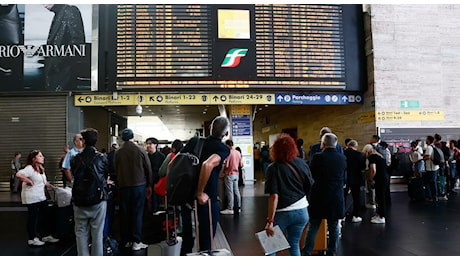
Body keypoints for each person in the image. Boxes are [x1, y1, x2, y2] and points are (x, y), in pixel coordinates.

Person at [264, 133, 310, 256]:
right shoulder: (302, 163)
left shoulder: (273, 168)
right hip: (302, 212)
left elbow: (274, 196)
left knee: (271, 246)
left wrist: (270, 221)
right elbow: (310, 185)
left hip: (283, 213)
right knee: (294, 244)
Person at [302, 133, 346, 256]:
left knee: (313, 225)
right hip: (336, 197)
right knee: (334, 227)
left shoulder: (317, 157)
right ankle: (332, 252)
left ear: (323, 144)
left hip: (319, 196)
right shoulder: (342, 158)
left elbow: (311, 175)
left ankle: (307, 252)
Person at [192, 116, 230, 252]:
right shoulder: (222, 148)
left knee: (191, 235)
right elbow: (207, 164)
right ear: (226, 134)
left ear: (210, 128)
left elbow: (172, 164)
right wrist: (200, 191)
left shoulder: (196, 141)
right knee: (207, 238)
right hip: (206, 198)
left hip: (187, 196)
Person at [70, 128, 108, 256]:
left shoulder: (75, 158)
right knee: (97, 233)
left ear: (84, 141)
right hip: (98, 199)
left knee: (80, 232)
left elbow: (74, 174)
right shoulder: (101, 158)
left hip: (79, 199)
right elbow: (105, 176)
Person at [115, 128, 152, 251]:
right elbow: (148, 169)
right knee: (137, 212)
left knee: (125, 213)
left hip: (123, 186)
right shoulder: (140, 150)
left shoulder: (118, 152)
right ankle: (137, 240)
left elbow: (115, 169)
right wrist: (149, 185)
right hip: (138, 186)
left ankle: (126, 240)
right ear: (132, 137)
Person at [16, 150, 60, 246]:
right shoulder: (29, 168)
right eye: (40, 156)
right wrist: (28, 180)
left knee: (45, 215)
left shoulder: (40, 169)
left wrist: (55, 188)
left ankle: (45, 235)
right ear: (34, 159)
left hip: (41, 196)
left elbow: (44, 182)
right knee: (33, 217)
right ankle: (32, 239)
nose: (42, 157)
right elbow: (18, 174)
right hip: (32, 197)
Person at [43, 4, 86, 91]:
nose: (44, 4)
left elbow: (77, 41)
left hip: (63, 72)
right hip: (57, 71)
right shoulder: (59, 13)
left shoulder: (70, 11)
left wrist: (58, 63)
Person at [366, 145, 390, 224]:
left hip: (380, 179)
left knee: (380, 198)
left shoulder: (372, 157)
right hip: (385, 178)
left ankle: (381, 217)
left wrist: (371, 179)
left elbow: (373, 169)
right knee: (380, 197)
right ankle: (379, 214)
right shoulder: (379, 156)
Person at [343, 140, 366, 223]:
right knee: (356, 197)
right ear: (355, 147)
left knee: (343, 197)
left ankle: (342, 216)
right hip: (356, 178)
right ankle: (355, 215)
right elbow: (362, 167)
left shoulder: (342, 153)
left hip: (344, 178)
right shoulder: (359, 154)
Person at [220, 139, 243, 215]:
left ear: (227, 145)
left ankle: (230, 208)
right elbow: (240, 165)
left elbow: (226, 165)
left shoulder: (228, 153)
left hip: (229, 174)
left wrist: (223, 173)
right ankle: (238, 207)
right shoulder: (238, 152)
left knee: (230, 192)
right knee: (236, 191)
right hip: (236, 174)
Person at [145, 137, 165, 214]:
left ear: (155, 145)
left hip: (157, 183)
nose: (148, 145)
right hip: (146, 183)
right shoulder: (145, 156)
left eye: (150, 144)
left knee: (156, 202)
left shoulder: (161, 156)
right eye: (147, 144)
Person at [361, 134, 381, 209]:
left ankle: (372, 202)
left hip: (369, 168)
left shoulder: (368, 146)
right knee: (378, 186)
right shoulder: (381, 147)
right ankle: (378, 202)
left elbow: (363, 156)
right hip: (380, 169)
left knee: (370, 185)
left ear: (373, 139)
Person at [423, 135, 439, 203]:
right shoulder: (434, 146)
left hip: (431, 168)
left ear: (429, 140)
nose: (425, 140)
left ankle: (430, 197)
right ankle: (434, 197)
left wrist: (423, 158)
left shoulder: (429, 147)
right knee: (433, 182)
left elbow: (428, 157)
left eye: (426, 139)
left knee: (427, 183)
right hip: (435, 167)